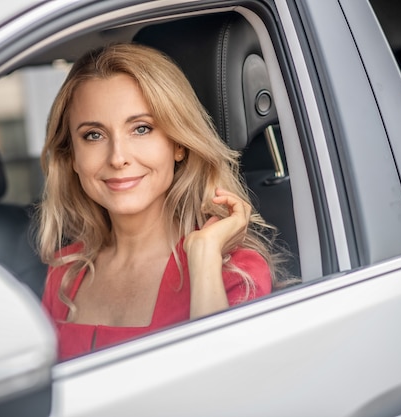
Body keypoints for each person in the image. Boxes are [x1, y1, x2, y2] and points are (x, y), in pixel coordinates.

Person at [37, 43, 284, 361]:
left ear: (178, 144)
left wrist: (204, 256)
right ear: (71, 156)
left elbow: (223, 392)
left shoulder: (233, 270)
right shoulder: (64, 273)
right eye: (94, 135)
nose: (118, 158)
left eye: (141, 129)